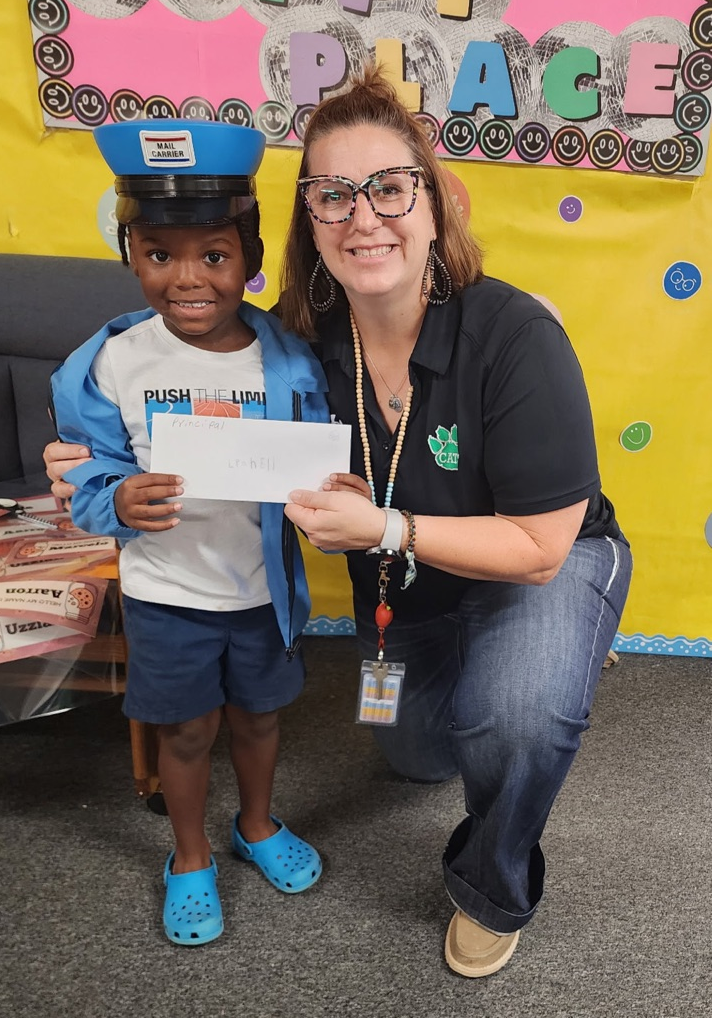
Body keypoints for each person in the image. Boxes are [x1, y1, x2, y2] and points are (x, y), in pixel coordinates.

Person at [45, 66, 632, 977]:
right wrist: (86, 453)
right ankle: (504, 674)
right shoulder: (298, 340)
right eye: (333, 194)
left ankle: (494, 877)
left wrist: (387, 528)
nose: (364, 217)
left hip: (539, 564)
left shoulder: (513, 334)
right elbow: (180, 337)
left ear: (435, 207)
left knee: (517, 715)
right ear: (308, 223)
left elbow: (540, 543)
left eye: (390, 189)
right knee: (415, 755)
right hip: (410, 598)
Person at [49, 118, 327, 947]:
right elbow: (86, 472)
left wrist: (333, 493)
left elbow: (319, 456)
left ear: (250, 256)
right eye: (159, 253)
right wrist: (116, 498)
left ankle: (258, 823)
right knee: (186, 729)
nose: (187, 279)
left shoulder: (291, 360)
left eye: (214, 254)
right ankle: (191, 856)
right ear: (130, 252)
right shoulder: (105, 364)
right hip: (168, 591)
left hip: (257, 589)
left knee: (259, 719)